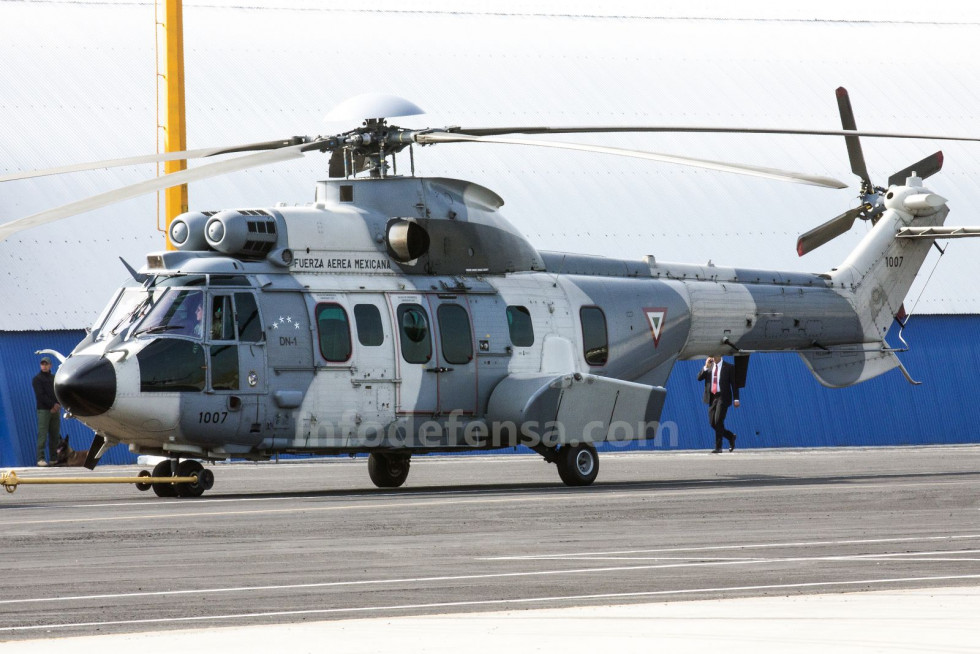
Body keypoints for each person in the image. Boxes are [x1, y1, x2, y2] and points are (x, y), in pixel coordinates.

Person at [697, 355, 740, 453]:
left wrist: (736, 399)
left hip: (723, 397)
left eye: (715, 355)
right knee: (712, 423)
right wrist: (706, 367)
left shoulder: (729, 367)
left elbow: (734, 384)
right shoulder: (709, 367)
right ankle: (730, 436)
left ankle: (718, 447)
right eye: (711, 355)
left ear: (720, 355)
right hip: (712, 397)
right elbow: (699, 378)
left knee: (718, 421)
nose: (712, 357)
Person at [32, 356, 61, 466]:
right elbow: (40, 395)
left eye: (46, 364)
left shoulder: (54, 378)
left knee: (55, 435)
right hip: (44, 410)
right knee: (42, 435)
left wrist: (58, 404)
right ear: (40, 365)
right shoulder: (37, 379)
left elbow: (57, 392)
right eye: (42, 364)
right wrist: (52, 405)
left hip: (55, 410)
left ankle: (54, 458)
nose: (44, 366)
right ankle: (41, 459)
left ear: (50, 365)